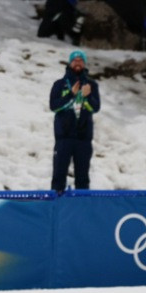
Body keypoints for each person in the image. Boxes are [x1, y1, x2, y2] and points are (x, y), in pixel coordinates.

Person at [49, 50, 100, 193]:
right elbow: (54, 106)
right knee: (58, 177)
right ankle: (56, 208)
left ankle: (82, 210)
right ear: (70, 63)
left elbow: (95, 108)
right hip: (63, 137)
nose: (78, 62)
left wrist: (88, 97)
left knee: (83, 178)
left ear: (84, 64)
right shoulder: (59, 84)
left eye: (80, 60)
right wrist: (72, 94)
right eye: (75, 60)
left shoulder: (91, 85)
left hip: (83, 138)